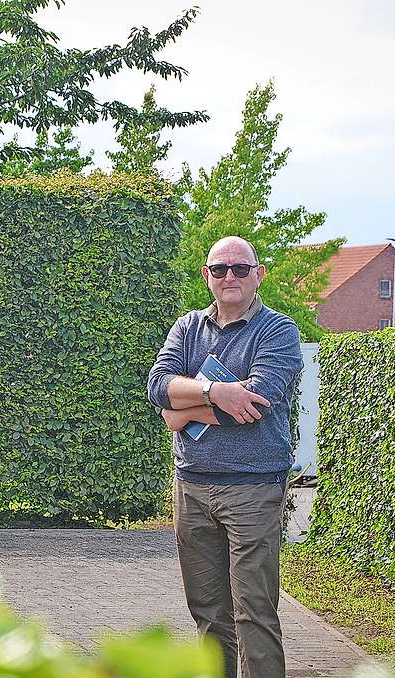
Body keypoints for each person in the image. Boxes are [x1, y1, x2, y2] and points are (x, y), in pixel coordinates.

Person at [146, 236, 303, 678]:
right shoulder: (188, 327)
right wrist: (217, 391)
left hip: (253, 488)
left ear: (259, 274)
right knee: (208, 612)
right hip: (191, 485)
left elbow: (257, 404)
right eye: (220, 269)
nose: (229, 276)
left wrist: (181, 412)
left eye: (240, 267)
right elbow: (158, 386)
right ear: (207, 276)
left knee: (254, 611)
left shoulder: (278, 330)